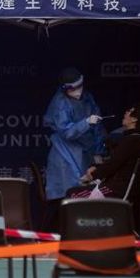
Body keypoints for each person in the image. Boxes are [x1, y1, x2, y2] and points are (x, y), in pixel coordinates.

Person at [43, 67, 106, 203]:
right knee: (66, 195)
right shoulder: (60, 103)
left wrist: (98, 152)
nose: (77, 92)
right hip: (65, 153)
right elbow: (67, 132)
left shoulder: (88, 98)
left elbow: (98, 128)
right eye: (72, 89)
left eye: (79, 87)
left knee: (86, 195)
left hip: (86, 152)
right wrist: (86, 122)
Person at [72, 103, 140, 200]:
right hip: (118, 188)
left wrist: (92, 175)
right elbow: (116, 163)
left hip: (116, 190)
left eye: (130, 111)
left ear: (134, 119)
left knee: (73, 196)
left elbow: (112, 164)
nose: (126, 112)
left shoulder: (133, 141)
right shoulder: (136, 139)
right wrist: (96, 169)